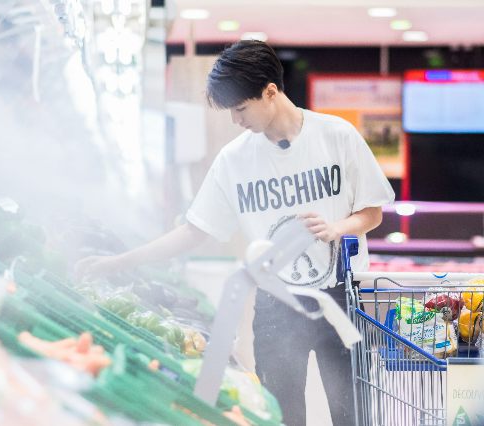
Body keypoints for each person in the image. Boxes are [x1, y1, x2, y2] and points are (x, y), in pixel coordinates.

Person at [75, 40, 394, 425]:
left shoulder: (337, 136)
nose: (235, 120)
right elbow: (193, 232)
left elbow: (372, 212)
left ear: (270, 92)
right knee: (280, 416)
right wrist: (118, 262)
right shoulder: (234, 160)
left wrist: (337, 228)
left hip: (342, 298)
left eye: (240, 108)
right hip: (276, 306)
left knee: (353, 415)